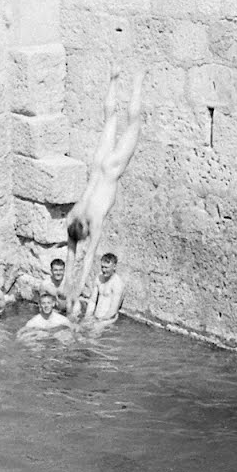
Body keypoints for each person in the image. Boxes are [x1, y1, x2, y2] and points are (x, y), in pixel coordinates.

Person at [65, 69, 144, 308]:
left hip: (111, 171)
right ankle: (114, 79)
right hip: (98, 165)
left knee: (133, 124)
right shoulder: (73, 216)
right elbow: (71, 253)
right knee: (109, 119)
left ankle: (138, 80)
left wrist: (77, 289)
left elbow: (87, 257)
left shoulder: (94, 220)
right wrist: (70, 284)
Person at [86, 252, 126, 325]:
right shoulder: (99, 278)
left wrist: (100, 321)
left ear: (114, 267)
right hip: (96, 318)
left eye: (106, 267)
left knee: (93, 330)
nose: (104, 270)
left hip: (108, 320)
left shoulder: (117, 283)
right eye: (102, 267)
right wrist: (88, 316)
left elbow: (113, 310)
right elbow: (92, 301)